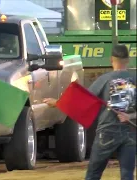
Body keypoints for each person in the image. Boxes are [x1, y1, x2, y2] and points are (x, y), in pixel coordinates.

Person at [43, 44, 136, 180]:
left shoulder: (105, 79)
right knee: (127, 175)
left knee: (94, 173)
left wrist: (57, 103)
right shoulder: (135, 79)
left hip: (107, 132)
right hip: (131, 133)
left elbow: (83, 100)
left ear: (111, 60)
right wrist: (130, 115)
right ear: (128, 60)